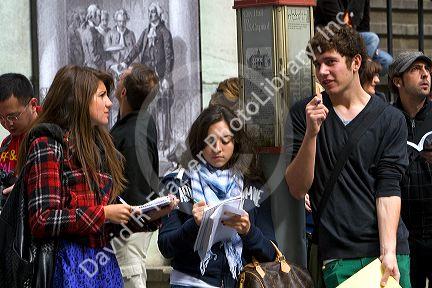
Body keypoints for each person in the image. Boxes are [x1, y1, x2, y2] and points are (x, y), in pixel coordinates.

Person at [16, 65, 176, 287]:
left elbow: (105, 224)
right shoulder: (47, 144)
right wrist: (104, 214)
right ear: (79, 100)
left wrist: (148, 215)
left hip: (104, 264)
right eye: (101, 96)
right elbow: (43, 219)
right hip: (66, 266)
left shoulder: (99, 147)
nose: (110, 103)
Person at [284, 25, 411, 288]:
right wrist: (311, 134)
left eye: (330, 62)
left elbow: (388, 188)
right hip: (338, 257)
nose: (322, 72)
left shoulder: (391, 119)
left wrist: (388, 252)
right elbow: (297, 188)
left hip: (388, 252)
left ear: (356, 62)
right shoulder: (304, 113)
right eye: (317, 64)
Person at [158, 105, 277, 288]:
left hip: (239, 282)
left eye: (225, 140)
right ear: (199, 143)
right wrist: (194, 225)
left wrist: (248, 231)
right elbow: (166, 246)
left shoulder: (252, 184)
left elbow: (270, 253)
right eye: (210, 141)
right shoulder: (178, 182)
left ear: (236, 142)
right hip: (189, 282)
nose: (217, 149)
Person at [110, 63, 159, 288]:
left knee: (129, 276)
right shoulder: (142, 123)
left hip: (128, 231)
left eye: (122, 77)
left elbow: (134, 191)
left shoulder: (129, 135)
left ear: (123, 92)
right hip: (130, 228)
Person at [390, 51, 432, 288]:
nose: (425, 74)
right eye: (416, 69)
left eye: (427, 70)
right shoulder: (386, 119)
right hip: (403, 235)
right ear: (398, 81)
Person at [122, 2, 174, 151]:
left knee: (162, 108)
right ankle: (152, 139)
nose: (150, 14)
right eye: (149, 12)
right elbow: (137, 48)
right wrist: (125, 62)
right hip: (146, 78)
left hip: (160, 75)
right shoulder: (146, 32)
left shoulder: (164, 32)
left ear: (158, 14)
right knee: (148, 108)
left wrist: (166, 77)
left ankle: (164, 140)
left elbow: (169, 56)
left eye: (153, 12)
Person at [314, 0, 393, 75]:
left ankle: (360, 76)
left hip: (353, 40)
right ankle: (360, 79)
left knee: (386, 61)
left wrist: (369, 48)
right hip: (331, 39)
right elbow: (338, 27)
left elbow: (364, 26)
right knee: (372, 38)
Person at [0, 73, 39, 199]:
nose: (7, 124)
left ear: (33, 105)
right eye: (1, 118)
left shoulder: (49, 137)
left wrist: (24, 188)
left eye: (13, 117)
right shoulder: (6, 144)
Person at [81, 4, 106, 70]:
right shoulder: (90, 33)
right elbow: (94, 57)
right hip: (94, 69)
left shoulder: (92, 30)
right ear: (92, 17)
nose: (100, 19)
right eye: (99, 16)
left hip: (94, 67)